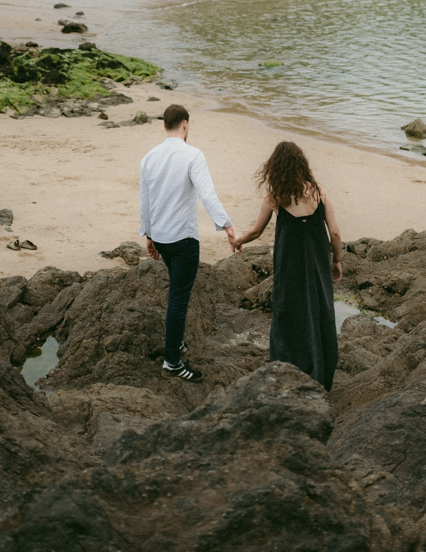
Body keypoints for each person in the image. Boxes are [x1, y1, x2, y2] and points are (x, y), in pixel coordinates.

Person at [232, 140, 342, 390]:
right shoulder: (320, 192)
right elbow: (334, 233)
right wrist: (336, 261)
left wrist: (238, 241)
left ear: (275, 168)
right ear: (302, 164)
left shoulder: (274, 198)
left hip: (289, 267)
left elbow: (255, 232)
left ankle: (289, 370)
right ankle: (320, 371)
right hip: (317, 267)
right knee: (319, 312)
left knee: (288, 316)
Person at [139, 103, 236, 382]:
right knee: (178, 299)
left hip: (161, 238)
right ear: (185, 124)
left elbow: (145, 200)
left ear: (164, 125)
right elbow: (208, 194)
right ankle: (172, 362)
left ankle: (176, 341)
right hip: (183, 240)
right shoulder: (193, 155)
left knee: (177, 292)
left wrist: (148, 235)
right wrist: (227, 226)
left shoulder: (149, 157)